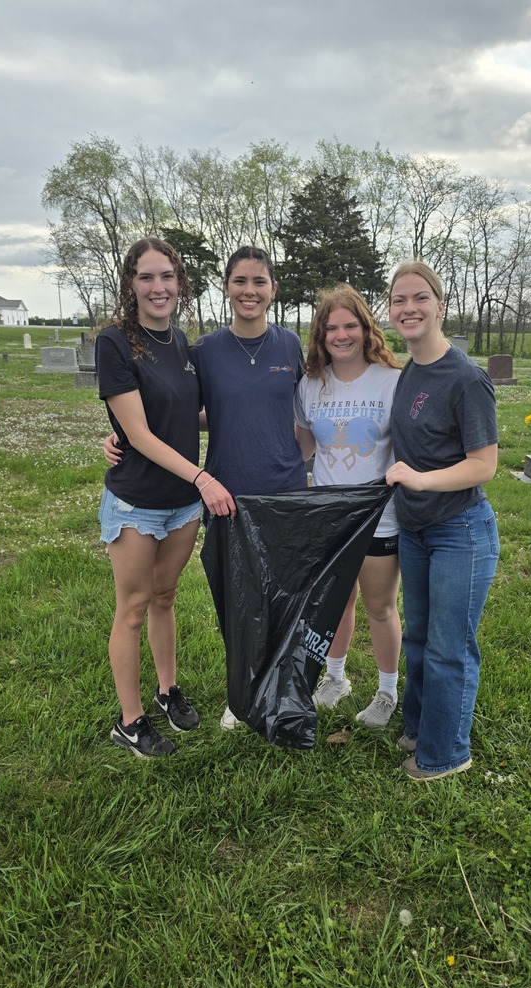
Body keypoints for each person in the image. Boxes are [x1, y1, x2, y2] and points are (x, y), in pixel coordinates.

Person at [104, 245, 307, 730]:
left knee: (267, 598)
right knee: (225, 601)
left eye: (260, 282)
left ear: (273, 289)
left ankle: (266, 687)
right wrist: (126, 433)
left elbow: (301, 408)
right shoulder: (194, 349)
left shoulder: (281, 346)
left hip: (254, 494)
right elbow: (165, 415)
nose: (250, 291)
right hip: (203, 494)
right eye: (240, 281)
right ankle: (171, 710)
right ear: (226, 288)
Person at [96, 237, 235, 758]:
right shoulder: (115, 342)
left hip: (182, 505)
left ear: (180, 284)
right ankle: (130, 721)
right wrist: (202, 477)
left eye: (167, 277)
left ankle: (166, 689)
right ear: (130, 284)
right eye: (146, 277)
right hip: (136, 502)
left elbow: (187, 415)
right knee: (132, 608)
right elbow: (140, 433)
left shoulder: (182, 344)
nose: (158, 287)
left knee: (165, 598)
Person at [385, 261, 499, 782]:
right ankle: (418, 725)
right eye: (398, 300)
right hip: (416, 530)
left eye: (419, 298)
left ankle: (446, 753)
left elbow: (485, 465)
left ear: (440, 304)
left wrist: (420, 479)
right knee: (418, 637)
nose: (408, 308)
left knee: (450, 646)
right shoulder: (410, 367)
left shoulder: (466, 378)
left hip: (460, 530)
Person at [294, 284, 402, 727]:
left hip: (378, 514)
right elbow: (299, 448)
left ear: (366, 329)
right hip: (327, 514)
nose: (341, 335)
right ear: (320, 335)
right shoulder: (310, 384)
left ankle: (387, 691)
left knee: (380, 606)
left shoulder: (392, 380)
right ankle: (335, 678)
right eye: (331, 328)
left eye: (350, 325)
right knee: (335, 603)